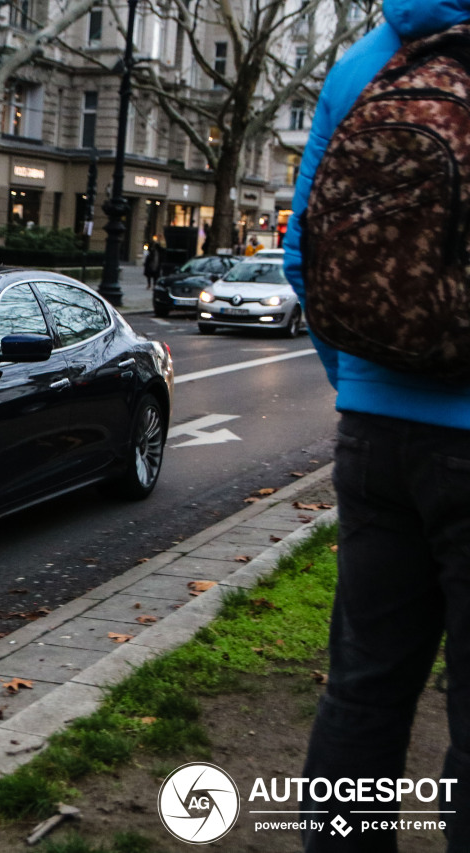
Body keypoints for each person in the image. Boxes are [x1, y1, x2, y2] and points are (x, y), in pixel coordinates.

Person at [285, 1, 470, 850]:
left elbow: (304, 255)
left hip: (373, 432)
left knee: (361, 690)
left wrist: (360, 379)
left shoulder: (367, 60)